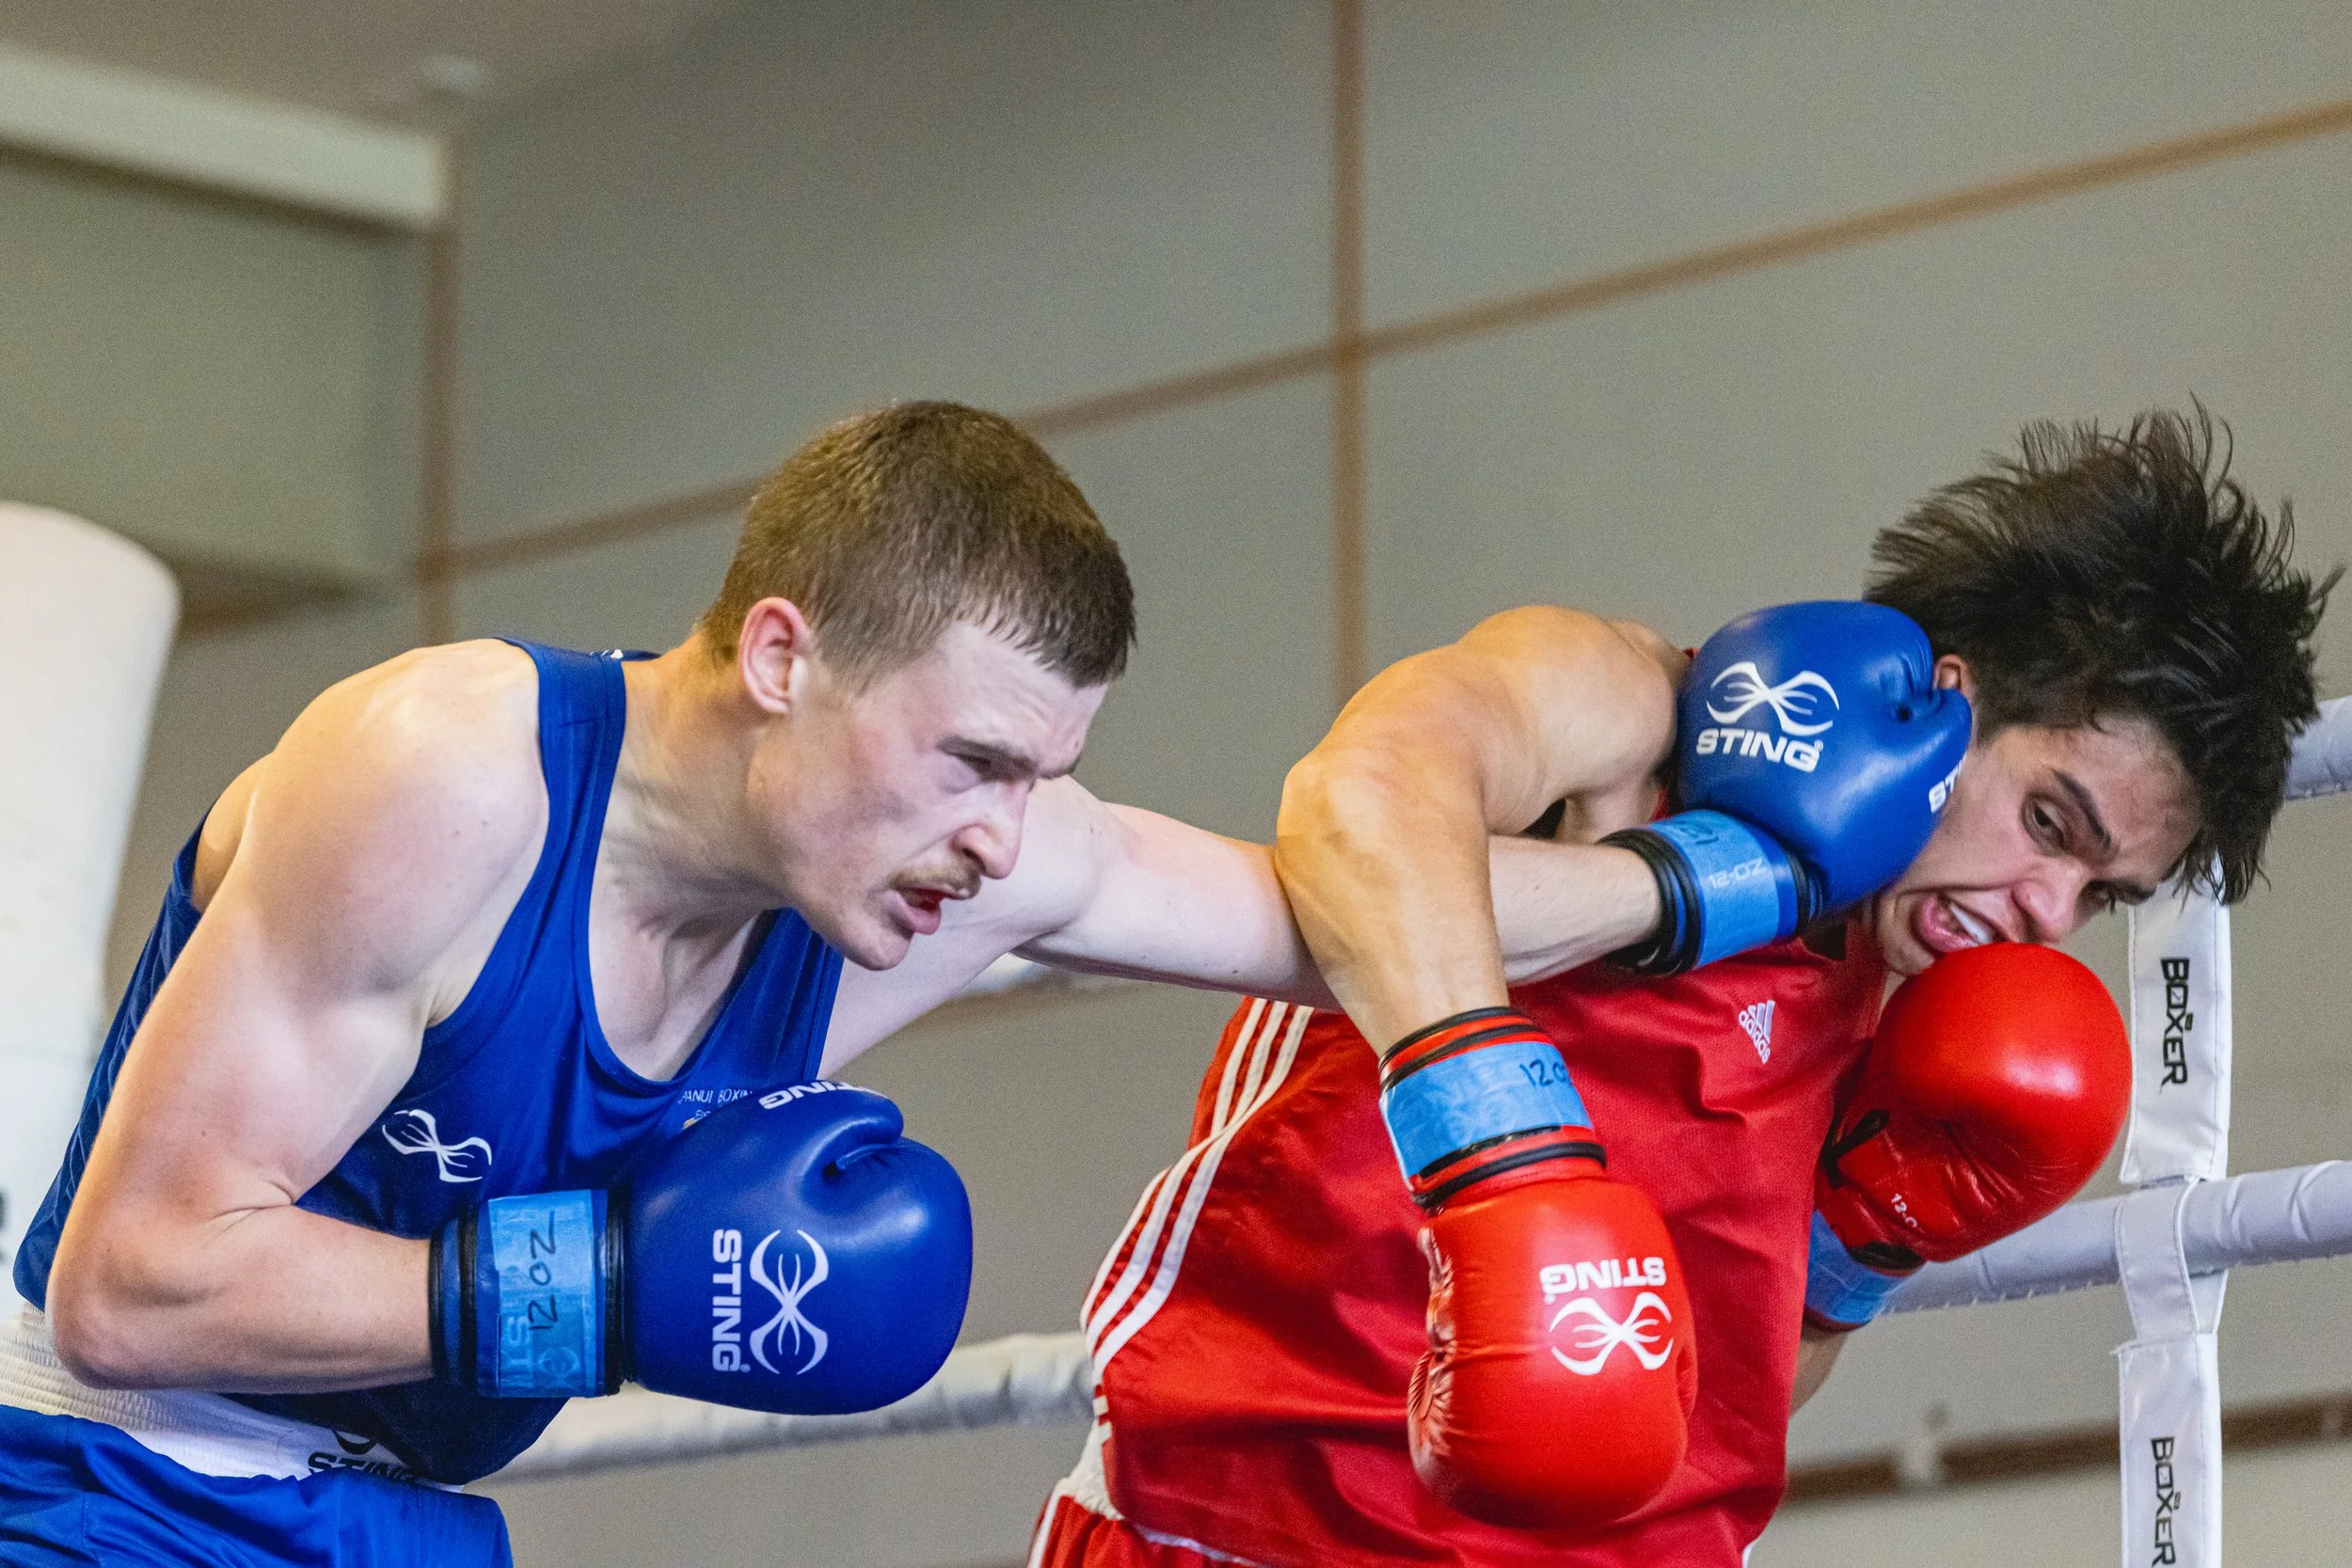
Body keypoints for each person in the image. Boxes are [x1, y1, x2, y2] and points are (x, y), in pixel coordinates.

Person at [0, 402, 1596, 1567]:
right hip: (105, 1478)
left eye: (1040, 778)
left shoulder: (952, 860)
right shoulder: (451, 779)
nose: (998, 839)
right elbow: (130, 1285)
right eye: (972, 758)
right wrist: (616, 1285)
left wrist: (1725, 882)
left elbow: (1356, 911)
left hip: (401, 1524)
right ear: (782, 658)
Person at [1028, 409, 2334, 1567]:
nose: (2046, 913)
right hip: (1250, 1524)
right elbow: (1356, 799)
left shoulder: (1923, 1006)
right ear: (1949, 694)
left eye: (2099, 897)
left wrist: (1858, 1245)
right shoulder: (1637, 715)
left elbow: (1729, 1395)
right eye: (2053, 823)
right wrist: (1507, 1156)